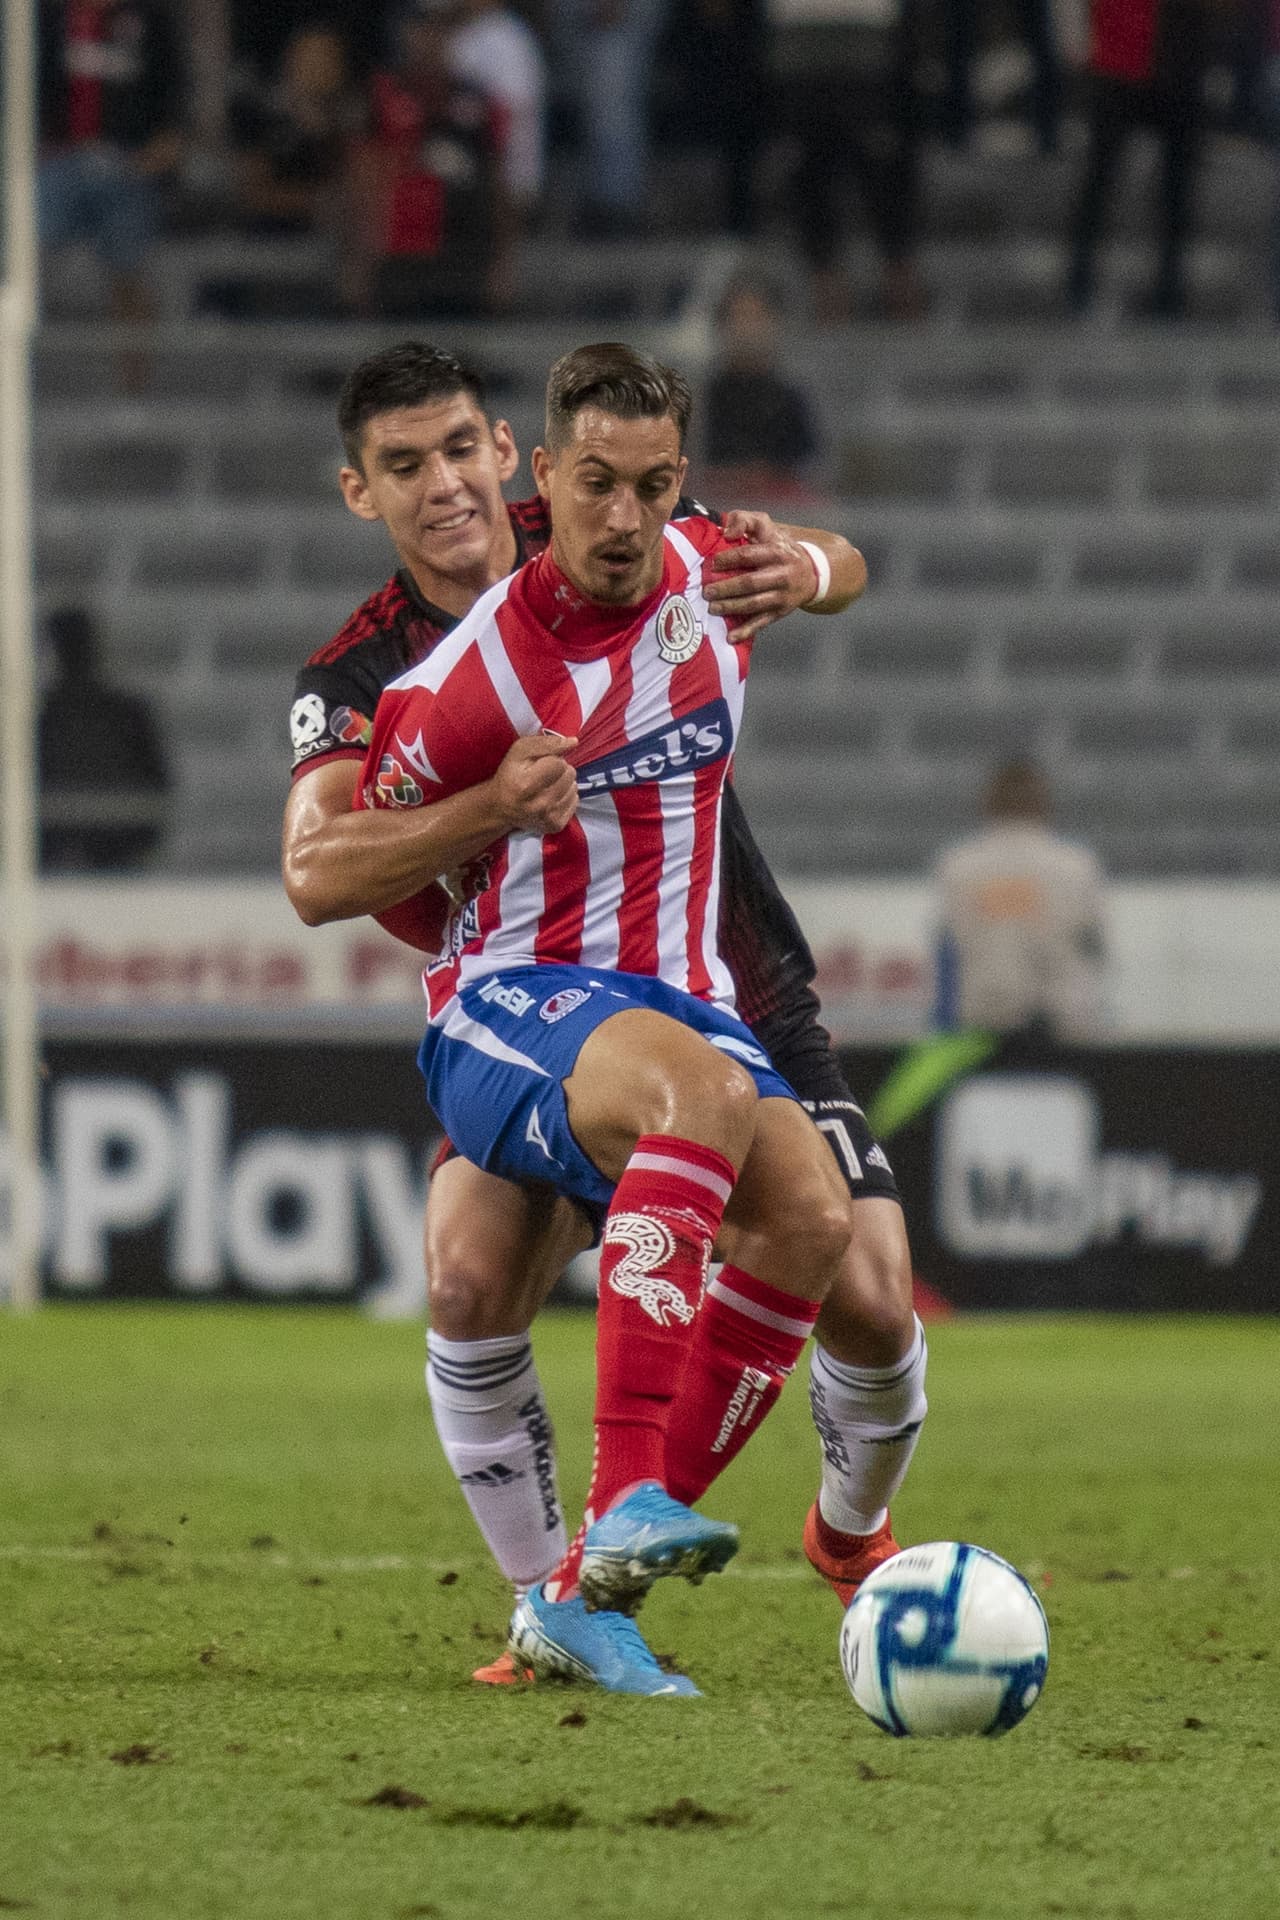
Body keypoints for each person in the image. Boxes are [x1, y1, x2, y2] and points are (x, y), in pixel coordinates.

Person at [281, 341, 926, 1688]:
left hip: (722, 986)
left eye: (461, 449)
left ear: (510, 456)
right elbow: (320, 869)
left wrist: (807, 573)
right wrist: (485, 815)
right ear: (363, 492)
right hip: (532, 1001)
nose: (445, 485)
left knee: (838, 1253)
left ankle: (735, 1554)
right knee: (468, 1273)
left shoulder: (645, 530)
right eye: (406, 466)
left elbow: (825, 560)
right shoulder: (411, 678)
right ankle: (568, 1575)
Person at [37, 0, 188, 383]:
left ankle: (134, 388)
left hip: (127, 161)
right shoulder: (48, 16)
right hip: (58, 158)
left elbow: (174, 87)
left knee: (131, 272)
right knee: (23, 257)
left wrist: (165, 143)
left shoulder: (150, 16)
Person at [343, 0, 506, 318]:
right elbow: (361, 178)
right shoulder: (382, 94)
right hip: (399, 264)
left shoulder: (476, 98)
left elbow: (498, 179)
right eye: (422, 25)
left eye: (441, 26)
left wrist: (501, 263)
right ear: (406, 31)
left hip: (464, 259)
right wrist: (359, 261)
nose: (431, 36)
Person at [932, 758, 1108, 1042]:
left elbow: (949, 947)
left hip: (981, 1025)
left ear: (987, 804)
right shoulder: (1077, 867)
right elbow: (1095, 947)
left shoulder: (958, 867)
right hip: (1063, 1027)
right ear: (1043, 803)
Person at [1064, 0, 1217, 320]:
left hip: (1178, 51)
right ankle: (1078, 280)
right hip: (1122, 53)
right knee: (1100, 179)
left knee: (1175, 184)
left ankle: (1170, 288)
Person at [37, 605, 171, 872]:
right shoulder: (39, 716)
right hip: (53, 856)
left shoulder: (129, 713)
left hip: (117, 856)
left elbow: (158, 789)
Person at [702, 271, 820, 498]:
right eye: (739, 317)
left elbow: (808, 466)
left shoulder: (790, 397)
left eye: (755, 317)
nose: (747, 329)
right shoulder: (703, 399)